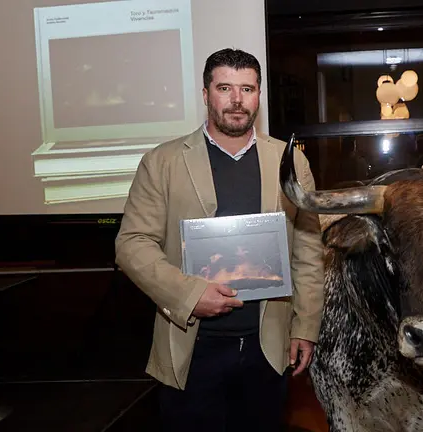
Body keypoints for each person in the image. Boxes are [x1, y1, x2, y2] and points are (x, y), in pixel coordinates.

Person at [114, 48, 325, 431]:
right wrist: (190, 295)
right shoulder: (161, 162)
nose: (236, 99)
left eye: (247, 88)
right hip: (191, 348)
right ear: (206, 94)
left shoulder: (290, 161)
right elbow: (132, 244)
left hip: (268, 348)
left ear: (259, 95)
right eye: (225, 87)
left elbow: (308, 251)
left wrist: (305, 327)